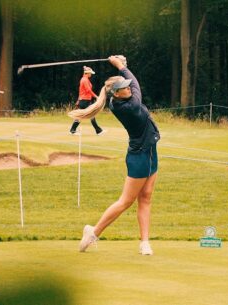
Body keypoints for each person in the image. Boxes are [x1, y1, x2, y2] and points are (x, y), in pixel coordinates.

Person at [77, 56, 160, 255]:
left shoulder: (121, 100)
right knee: (125, 201)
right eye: (124, 87)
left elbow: (132, 83)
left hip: (150, 152)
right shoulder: (129, 107)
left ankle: (145, 242)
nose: (129, 87)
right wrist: (120, 65)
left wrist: (121, 67)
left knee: (146, 197)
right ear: (116, 93)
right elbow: (137, 85)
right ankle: (93, 232)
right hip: (139, 157)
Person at [69, 66, 105, 135]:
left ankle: (72, 130)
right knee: (90, 114)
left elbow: (81, 91)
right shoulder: (84, 80)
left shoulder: (85, 79)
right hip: (84, 101)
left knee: (81, 115)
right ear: (87, 73)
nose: (91, 74)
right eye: (90, 73)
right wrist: (96, 96)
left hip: (84, 100)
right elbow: (88, 90)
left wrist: (78, 100)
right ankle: (98, 131)